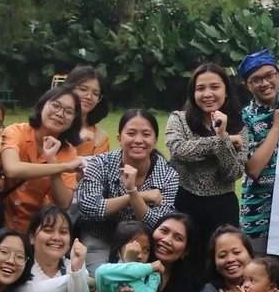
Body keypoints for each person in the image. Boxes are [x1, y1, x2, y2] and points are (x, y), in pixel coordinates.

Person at [70, 109, 179, 256]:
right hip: (99, 235)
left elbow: (158, 223)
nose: (138, 140)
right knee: (97, 270)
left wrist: (133, 192)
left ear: (155, 142)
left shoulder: (168, 175)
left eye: (146, 134)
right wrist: (138, 195)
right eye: (131, 133)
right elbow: (89, 207)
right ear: (119, 139)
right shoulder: (100, 163)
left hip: (142, 243)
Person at [165, 63, 249, 254]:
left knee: (221, 261)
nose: (207, 94)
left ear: (226, 92)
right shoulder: (179, 119)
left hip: (222, 207)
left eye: (215, 87)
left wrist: (222, 135)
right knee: (184, 260)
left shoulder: (239, 127)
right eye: (200, 88)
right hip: (183, 200)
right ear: (193, 93)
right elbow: (179, 150)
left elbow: (232, 173)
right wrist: (222, 141)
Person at [0, 85, 84, 233]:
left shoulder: (69, 153)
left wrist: (52, 159)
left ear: (73, 121)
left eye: (68, 112)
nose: (60, 114)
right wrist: (63, 167)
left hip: (32, 232)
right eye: (56, 105)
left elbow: (63, 203)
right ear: (43, 105)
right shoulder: (16, 131)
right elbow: (11, 169)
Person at [237, 51, 279, 242]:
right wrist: (276, 128)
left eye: (270, 75)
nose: (265, 83)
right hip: (259, 211)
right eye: (256, 80)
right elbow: (253, 169)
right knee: (260, 259)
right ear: (247, 85)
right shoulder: (244, 118)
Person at [62, 65, 112, 156]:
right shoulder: (53, 125)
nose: (89, 96)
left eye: (95, 94)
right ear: (69, 88)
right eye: (83, 89)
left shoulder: (99, 138)